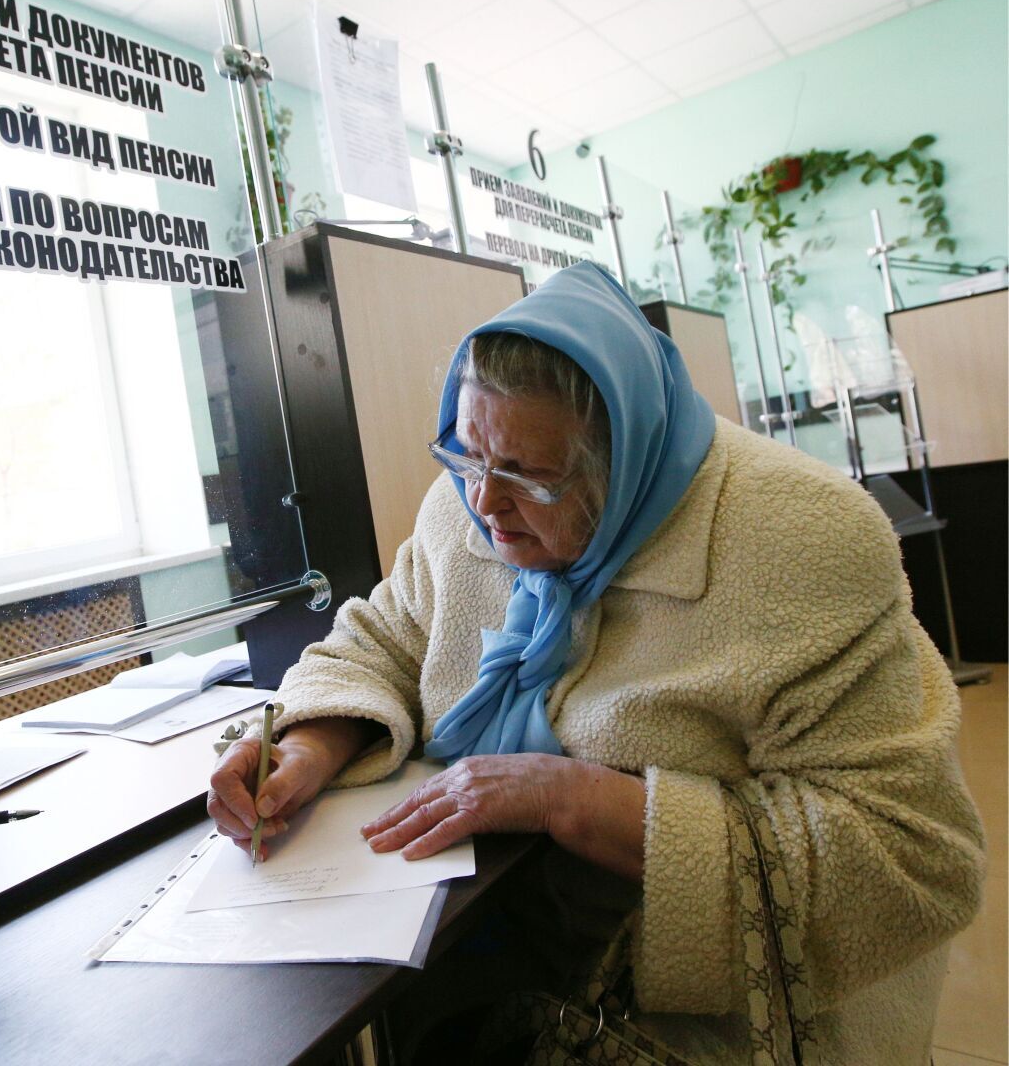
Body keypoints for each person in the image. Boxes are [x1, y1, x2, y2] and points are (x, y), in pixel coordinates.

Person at [206, 263, 985, 1062]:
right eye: (469, 455)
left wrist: (573, 800)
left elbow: (907, 861)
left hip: (702, 1013)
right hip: (493, 934)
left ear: (630, 458)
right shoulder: (464, 503)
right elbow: (383, 640)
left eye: (530, 477)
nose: (485, 503)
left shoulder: (797, 540)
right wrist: (310, 743)